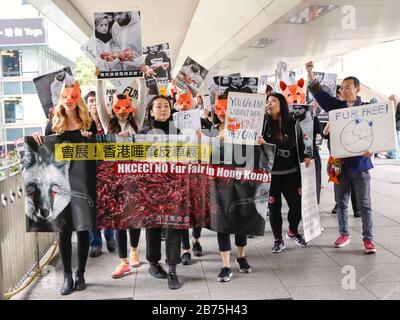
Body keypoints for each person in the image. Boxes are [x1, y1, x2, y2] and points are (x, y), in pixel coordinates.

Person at [32, 81, 96, 295]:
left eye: (73, 96)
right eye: (65, 96)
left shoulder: (88, 123)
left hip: (83, 182)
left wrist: (90, 140)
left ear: (78, 97)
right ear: (60, 98)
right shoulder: (53, 124)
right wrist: (37, 140)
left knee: (84, 227)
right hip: (60, 184)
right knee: (64, 230)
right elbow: (45, 153)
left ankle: (81, 273)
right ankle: (67, 275)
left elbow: (97, 152)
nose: (69, 100)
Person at [306, 61, 376, 254]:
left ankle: (368, 239)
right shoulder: (336, 107)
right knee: (342, 203)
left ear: (357, 89)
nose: (343, 91)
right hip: (340, 165)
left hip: (361, 165)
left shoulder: (368, 108)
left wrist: (373, 148)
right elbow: (320, 95)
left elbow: (377, 133)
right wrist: (310, 73)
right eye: (342, 88)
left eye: (348, 88)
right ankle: (344, 234)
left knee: (365, 204)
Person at [96, 67, 147, 277]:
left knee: (134, 216)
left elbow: (143, 98)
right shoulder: (108, 124)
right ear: (113, 109)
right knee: (117, 218)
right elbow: (99, 103)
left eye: (126, 107)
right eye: (118, 107)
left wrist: (141, 78)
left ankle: (134, 252)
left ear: (131, 108)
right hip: (114, 176)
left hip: (135, 174)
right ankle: (122, 260)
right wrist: (98, 80)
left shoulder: (138, 121)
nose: (123, 110)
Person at [258, 93, 311, 253]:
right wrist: (259, 142)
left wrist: (306, 156)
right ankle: (277, 239)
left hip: (291, 172)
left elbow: (301, 143)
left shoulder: (293, 123)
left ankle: (293, 231)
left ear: (281, 103)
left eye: (273, 101)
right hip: (271, 173)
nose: (270, 103)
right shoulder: (261, 123)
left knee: (296, 205)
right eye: (268, 101)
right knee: (274, 207)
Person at [140, 95, 183, 290]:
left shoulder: (179, 131)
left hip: (174, 185)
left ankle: (172, 268)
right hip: (151, 186)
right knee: (153, 225)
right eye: (159, 106)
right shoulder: (143, 133)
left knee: (174, 225)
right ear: (150, 111)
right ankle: (153, 263)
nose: (163, 109)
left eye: (166, 106)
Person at [211, 95, 252, 282]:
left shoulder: (245, 130)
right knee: (223, 224)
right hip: (219, 184)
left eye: (226, 109)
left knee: (240, 222)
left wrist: (258, 142)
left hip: (240, 182)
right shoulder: (210, 131)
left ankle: (241, 256)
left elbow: (252, 154)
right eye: (218, 110)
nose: (222, 114)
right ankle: (226, 265)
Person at [84, 91, 116, 257]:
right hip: (89, 172)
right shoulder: (82, 124)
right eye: (91, 101)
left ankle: (110, 236)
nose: (94, 104)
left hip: (109, 170)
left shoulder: (109, 124)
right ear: (86, 104)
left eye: (97, 101)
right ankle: (95, 242)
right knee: (92, 207)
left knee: (109, 204)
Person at [324, 86, 360, 217]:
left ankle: (357, 208)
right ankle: (338, 203)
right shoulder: (334, 113)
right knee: (336, 179)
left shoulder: (355, 111)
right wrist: (332, 120)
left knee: (355, 182)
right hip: (336, 157)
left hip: (352, 154)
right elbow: (325, 133)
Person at [386, 94, 400, 159]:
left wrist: (395, 124)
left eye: (391, 100)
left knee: (396, 141)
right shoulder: (393, 106)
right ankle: (392, 154)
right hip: (395, 126)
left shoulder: (398, 105)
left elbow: (397, 117)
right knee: (393, 141)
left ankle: (394, 155)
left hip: (397, 126)